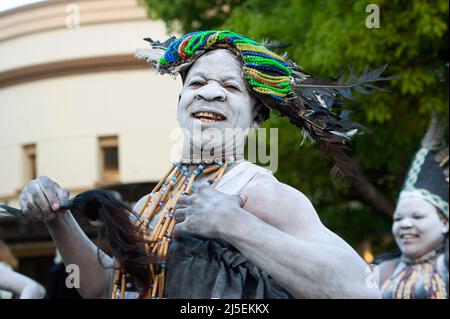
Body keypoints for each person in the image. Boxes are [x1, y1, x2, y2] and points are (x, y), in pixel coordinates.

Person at [19, 30, 388, 299]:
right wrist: (58, 218)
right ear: (181, 100)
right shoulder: (151, 205)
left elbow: (361, 290)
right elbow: (104, 289)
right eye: (197, 82)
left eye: (231, 87)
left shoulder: (258, 193)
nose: (210, 92)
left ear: (257, 115)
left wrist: (236, 225)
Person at [374, 113, 448, 299]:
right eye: (398, 218)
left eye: (417, 217)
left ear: (445, 222)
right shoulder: (379, 272)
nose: (405, 224)